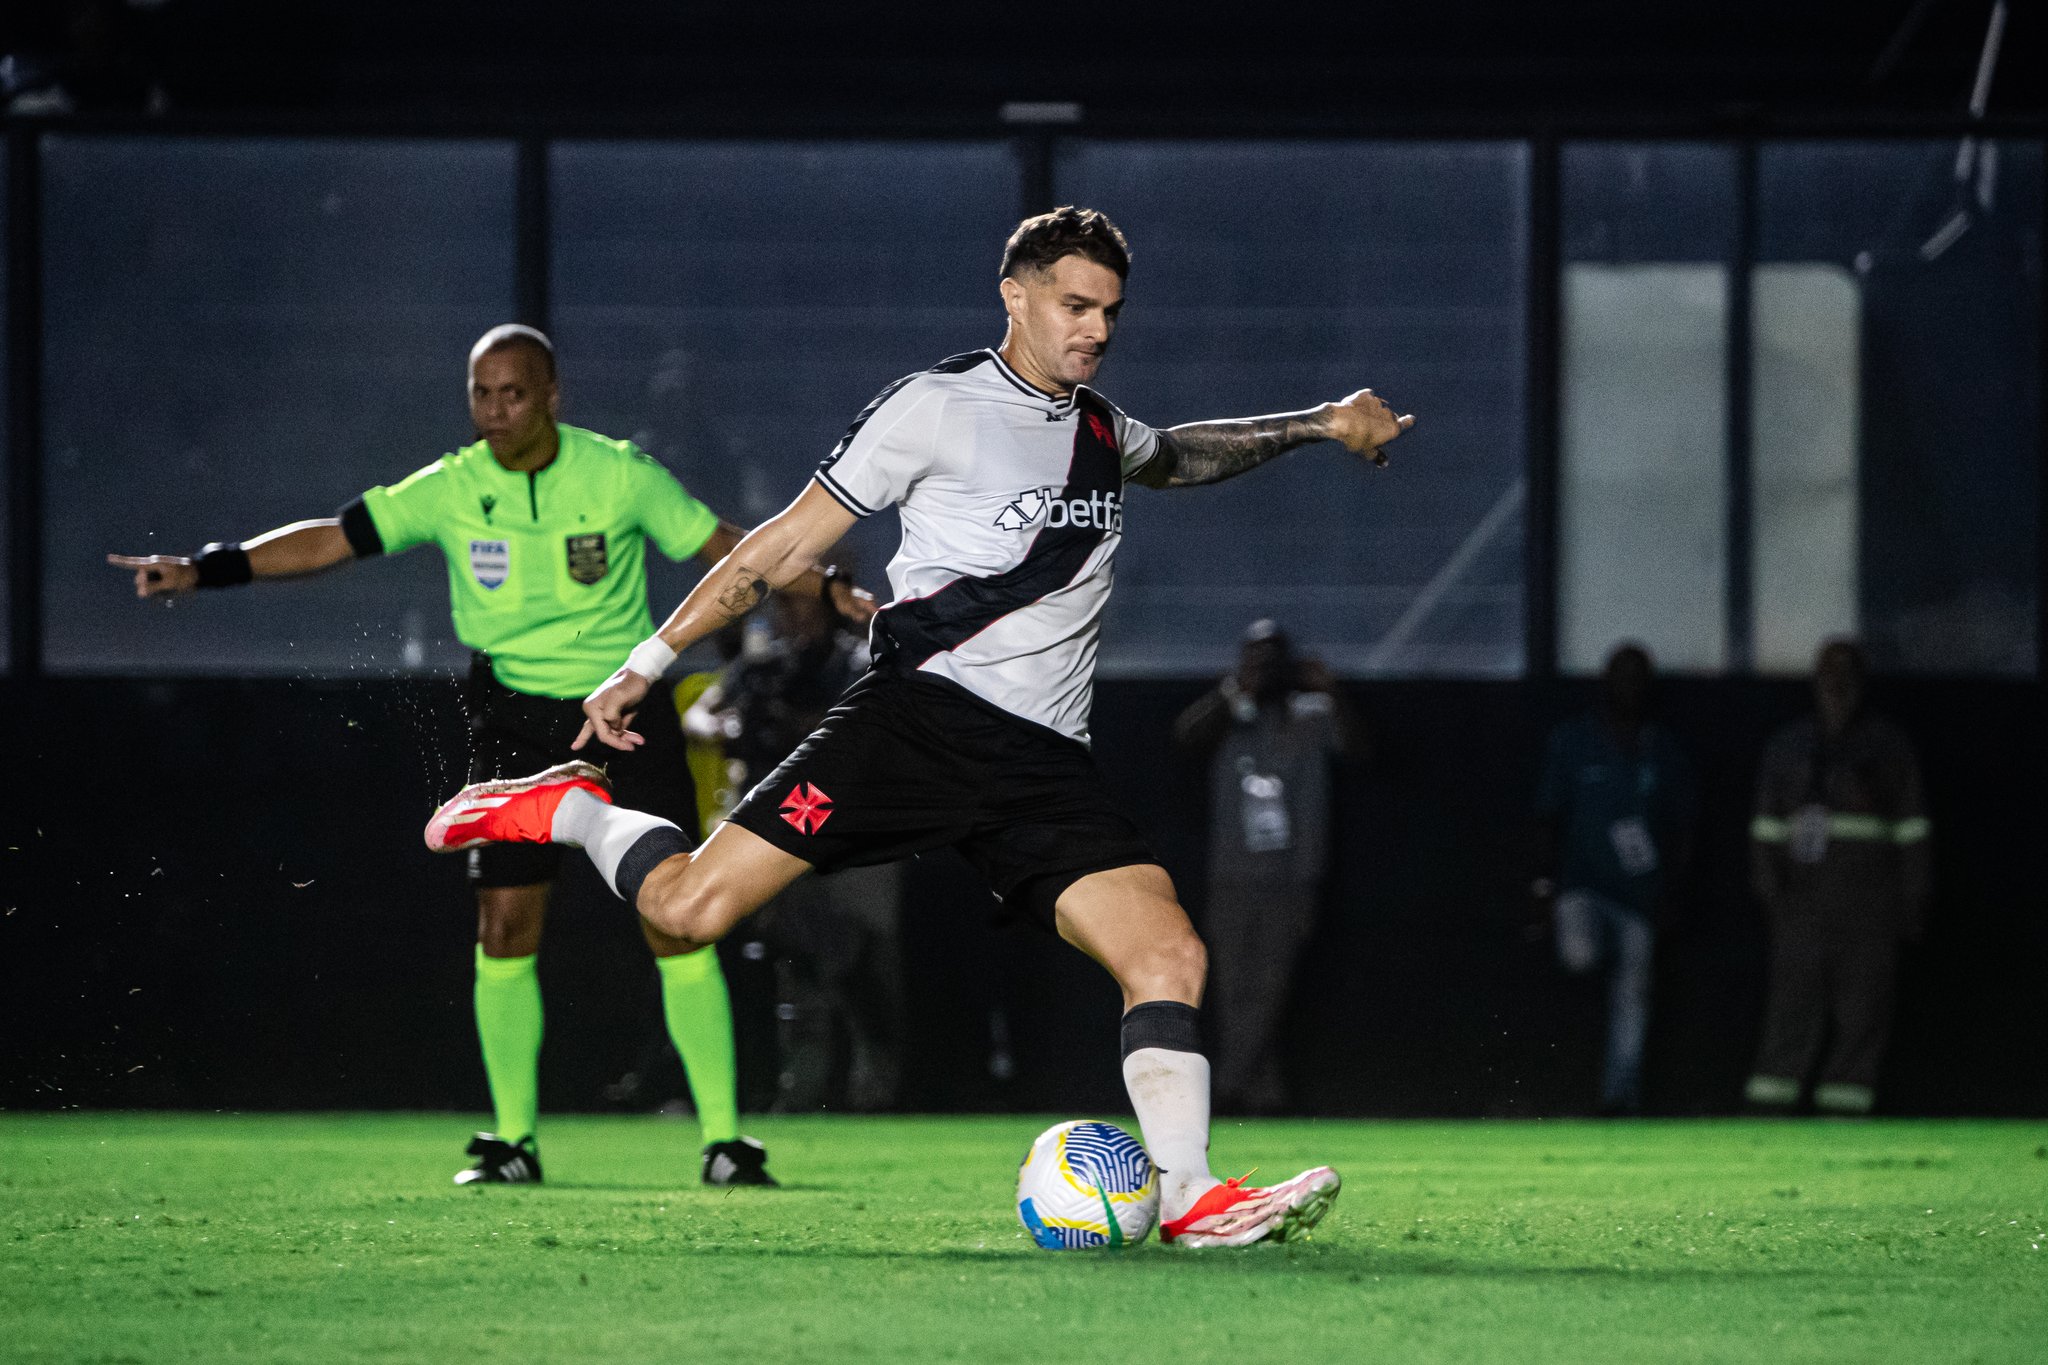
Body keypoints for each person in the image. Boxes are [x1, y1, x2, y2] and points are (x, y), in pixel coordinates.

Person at [425, 207, 1414, 1247]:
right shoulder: (933, 408)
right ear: (1015, 297)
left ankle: (1188, 1199)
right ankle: (576, 811)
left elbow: (1177, 456)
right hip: (915, 725)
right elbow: (778, 546)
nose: (1093, 330)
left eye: (1108, 312)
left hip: (1042, 767)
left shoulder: (1097, 428)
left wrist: (1317, 424)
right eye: (1073, 306)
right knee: (686, 909)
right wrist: (647, 662)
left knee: (1166, 955)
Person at [109, 324, 871, 1186]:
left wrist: (829, 587)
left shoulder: (620, 474)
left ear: (552, 395)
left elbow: (728, 548)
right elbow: (333, 535)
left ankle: (726, 1142)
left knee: (676, 915)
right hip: (512, 718)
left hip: (622, 710)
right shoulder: (451, 487)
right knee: (505, 927)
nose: (496, 411)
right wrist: (206, 569)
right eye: (482, 393)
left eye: (514, 393)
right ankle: (512, 1142)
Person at [688, 593, 906, 1113]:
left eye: (800, 605)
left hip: (852, 827)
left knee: (865, 953)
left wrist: (806, 728)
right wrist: (728, 727)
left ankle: (877, 1086)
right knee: (800, 959)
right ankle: (804, 1087)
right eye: (785, 605)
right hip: (785, 823)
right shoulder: (765, 663)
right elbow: (698, 716)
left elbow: (877, 727)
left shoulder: (859, 658)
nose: (791, 615)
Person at [1171, 618, 1363, 1115]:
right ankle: (1263, 1094)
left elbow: (1361, 751)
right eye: (1256, 659)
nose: (1266, 671)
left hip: (1294, 875)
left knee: (1274, 985)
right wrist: (1235, 690)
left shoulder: (1312, 715)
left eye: (1274, 660)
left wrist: (1333, 691)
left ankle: (1229, 1084)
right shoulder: (1230, 714)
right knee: (1233, 986)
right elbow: (1184, 737)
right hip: (1233, 875)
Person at [1744, 639, 1930, 1116]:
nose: (1837, 682)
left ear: (1862, 682)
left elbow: (1912, 832)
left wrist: (1913, 901)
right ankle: (1768, 1118)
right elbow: (1765, 831)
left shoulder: (1888, 745)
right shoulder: (1788, 746)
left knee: (1863, 1015)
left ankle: (1844, 1117)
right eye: (1829, 671)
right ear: (1814, 678)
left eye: (1847, 672)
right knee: (1789, 1015)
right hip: (1802, 906)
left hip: (1870, 907)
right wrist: (1773, 898)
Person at [1530, 643, 1697, 1116]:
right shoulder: (1574, 740)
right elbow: (1546, 815)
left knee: (1634, 992)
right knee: (1581, 956)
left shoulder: (1661, 747)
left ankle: (1620, 1098)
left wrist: (1675, 892)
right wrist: (1542, 885)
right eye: (1620, 674)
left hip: (1641, 896)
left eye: (1638, 676)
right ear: (1605, 681)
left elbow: (1683, 826)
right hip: (1582, 885)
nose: (1629, 685)